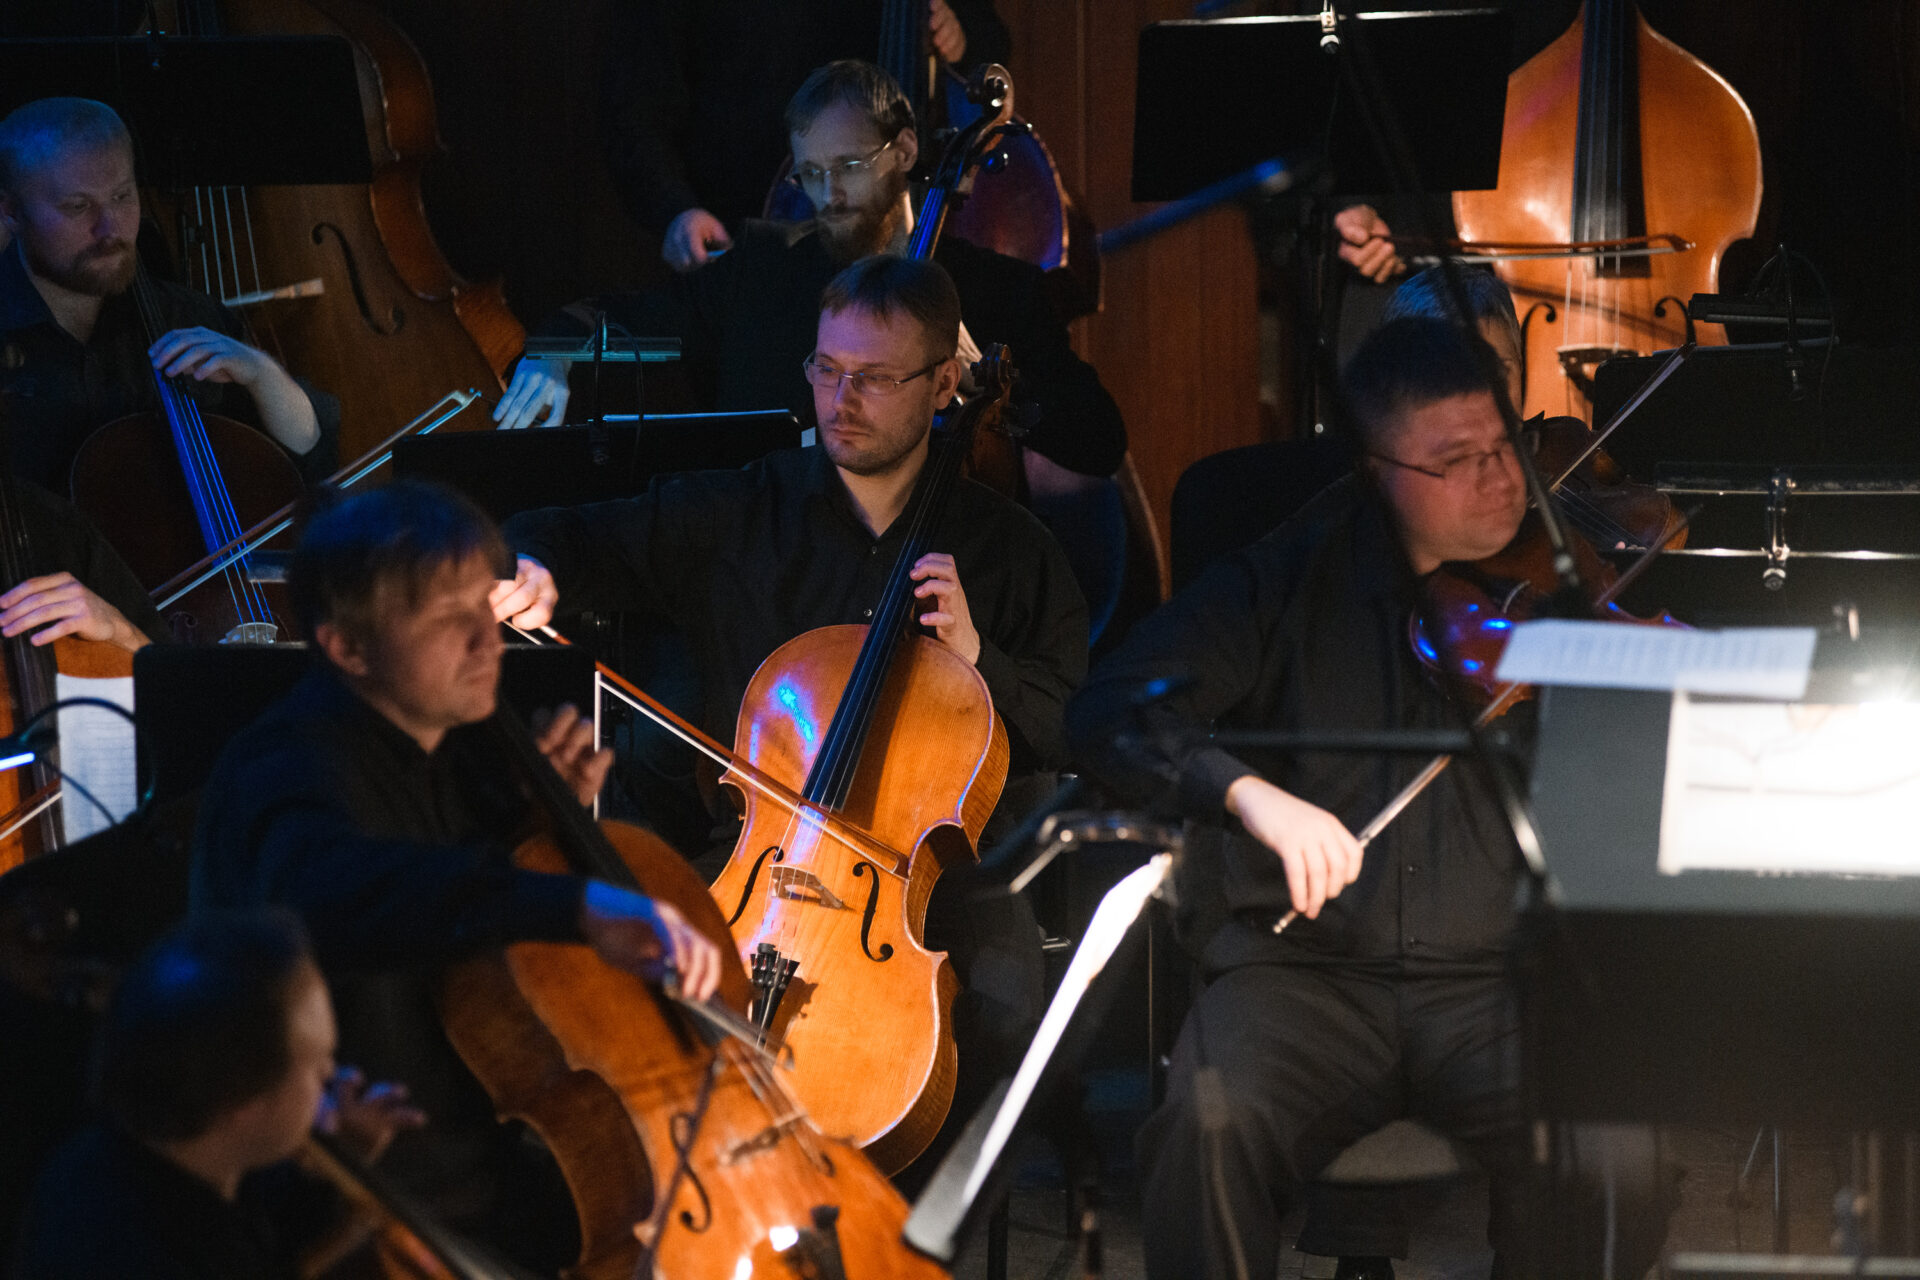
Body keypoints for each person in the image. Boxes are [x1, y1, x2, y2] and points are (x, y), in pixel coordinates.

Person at [1066, 317, 1675, 1279]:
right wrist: (1248, 794)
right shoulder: (1280, 580)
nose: (1502, 481)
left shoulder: (1556, 587)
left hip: (1497, 982)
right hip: (1303, 982)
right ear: (1377, 469)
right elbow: (1109, 710)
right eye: (1456, 461)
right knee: (1206, 1124)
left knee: (1618, 1154)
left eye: (1504, 447)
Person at [496, 254, 1087, 1184]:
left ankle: (911, 1228)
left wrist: (981, 665)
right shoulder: (739, 509)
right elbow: (567, 533)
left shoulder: (1011, 551)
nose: (841, 400)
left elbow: (1071, 729)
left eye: (875, 379)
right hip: (753, 861)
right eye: (826, 369)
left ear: (943, 385)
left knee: (1008, 1002)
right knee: (603, 981)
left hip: (932, 881)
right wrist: (533, 567)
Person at [191, 481, 722, 1271]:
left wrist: (533, 825)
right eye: (448, 619)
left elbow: (456, 905)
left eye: (484, 606)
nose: (488, 640)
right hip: (365, 1207)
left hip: (482, 1170)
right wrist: (576, 903)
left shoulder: (447, 745)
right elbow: (346, 890)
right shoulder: (288, 764)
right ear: (347, 648)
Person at [502, 60, 1128, 629]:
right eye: (811, 173)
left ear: (905, 149)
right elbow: (622, 318)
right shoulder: (762, 268)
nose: (829, 195)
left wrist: (991, 381)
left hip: (936, 602)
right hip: (763, 596)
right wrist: (557, 355)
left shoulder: (995, 289)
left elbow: (1097, 440)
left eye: (849, 167)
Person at [9, 909, 426, 1280]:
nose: (333, 1074)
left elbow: (260, 1220)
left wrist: (342, 1161)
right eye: (317, 1062)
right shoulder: (126, 1251)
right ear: (245, 1103)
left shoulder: (142, 1154)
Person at [0, 97, 336, 498]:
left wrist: (262, 376)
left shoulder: (188, 315)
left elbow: (306, 461)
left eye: (122, 196)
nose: (110, 229)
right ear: (11, 212)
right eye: (78, 206)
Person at [600, 0, 1011, 273]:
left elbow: (989, 39)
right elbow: (635, 99)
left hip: (935, 219)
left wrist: (962, 37)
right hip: (750, 238)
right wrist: (675, 209)